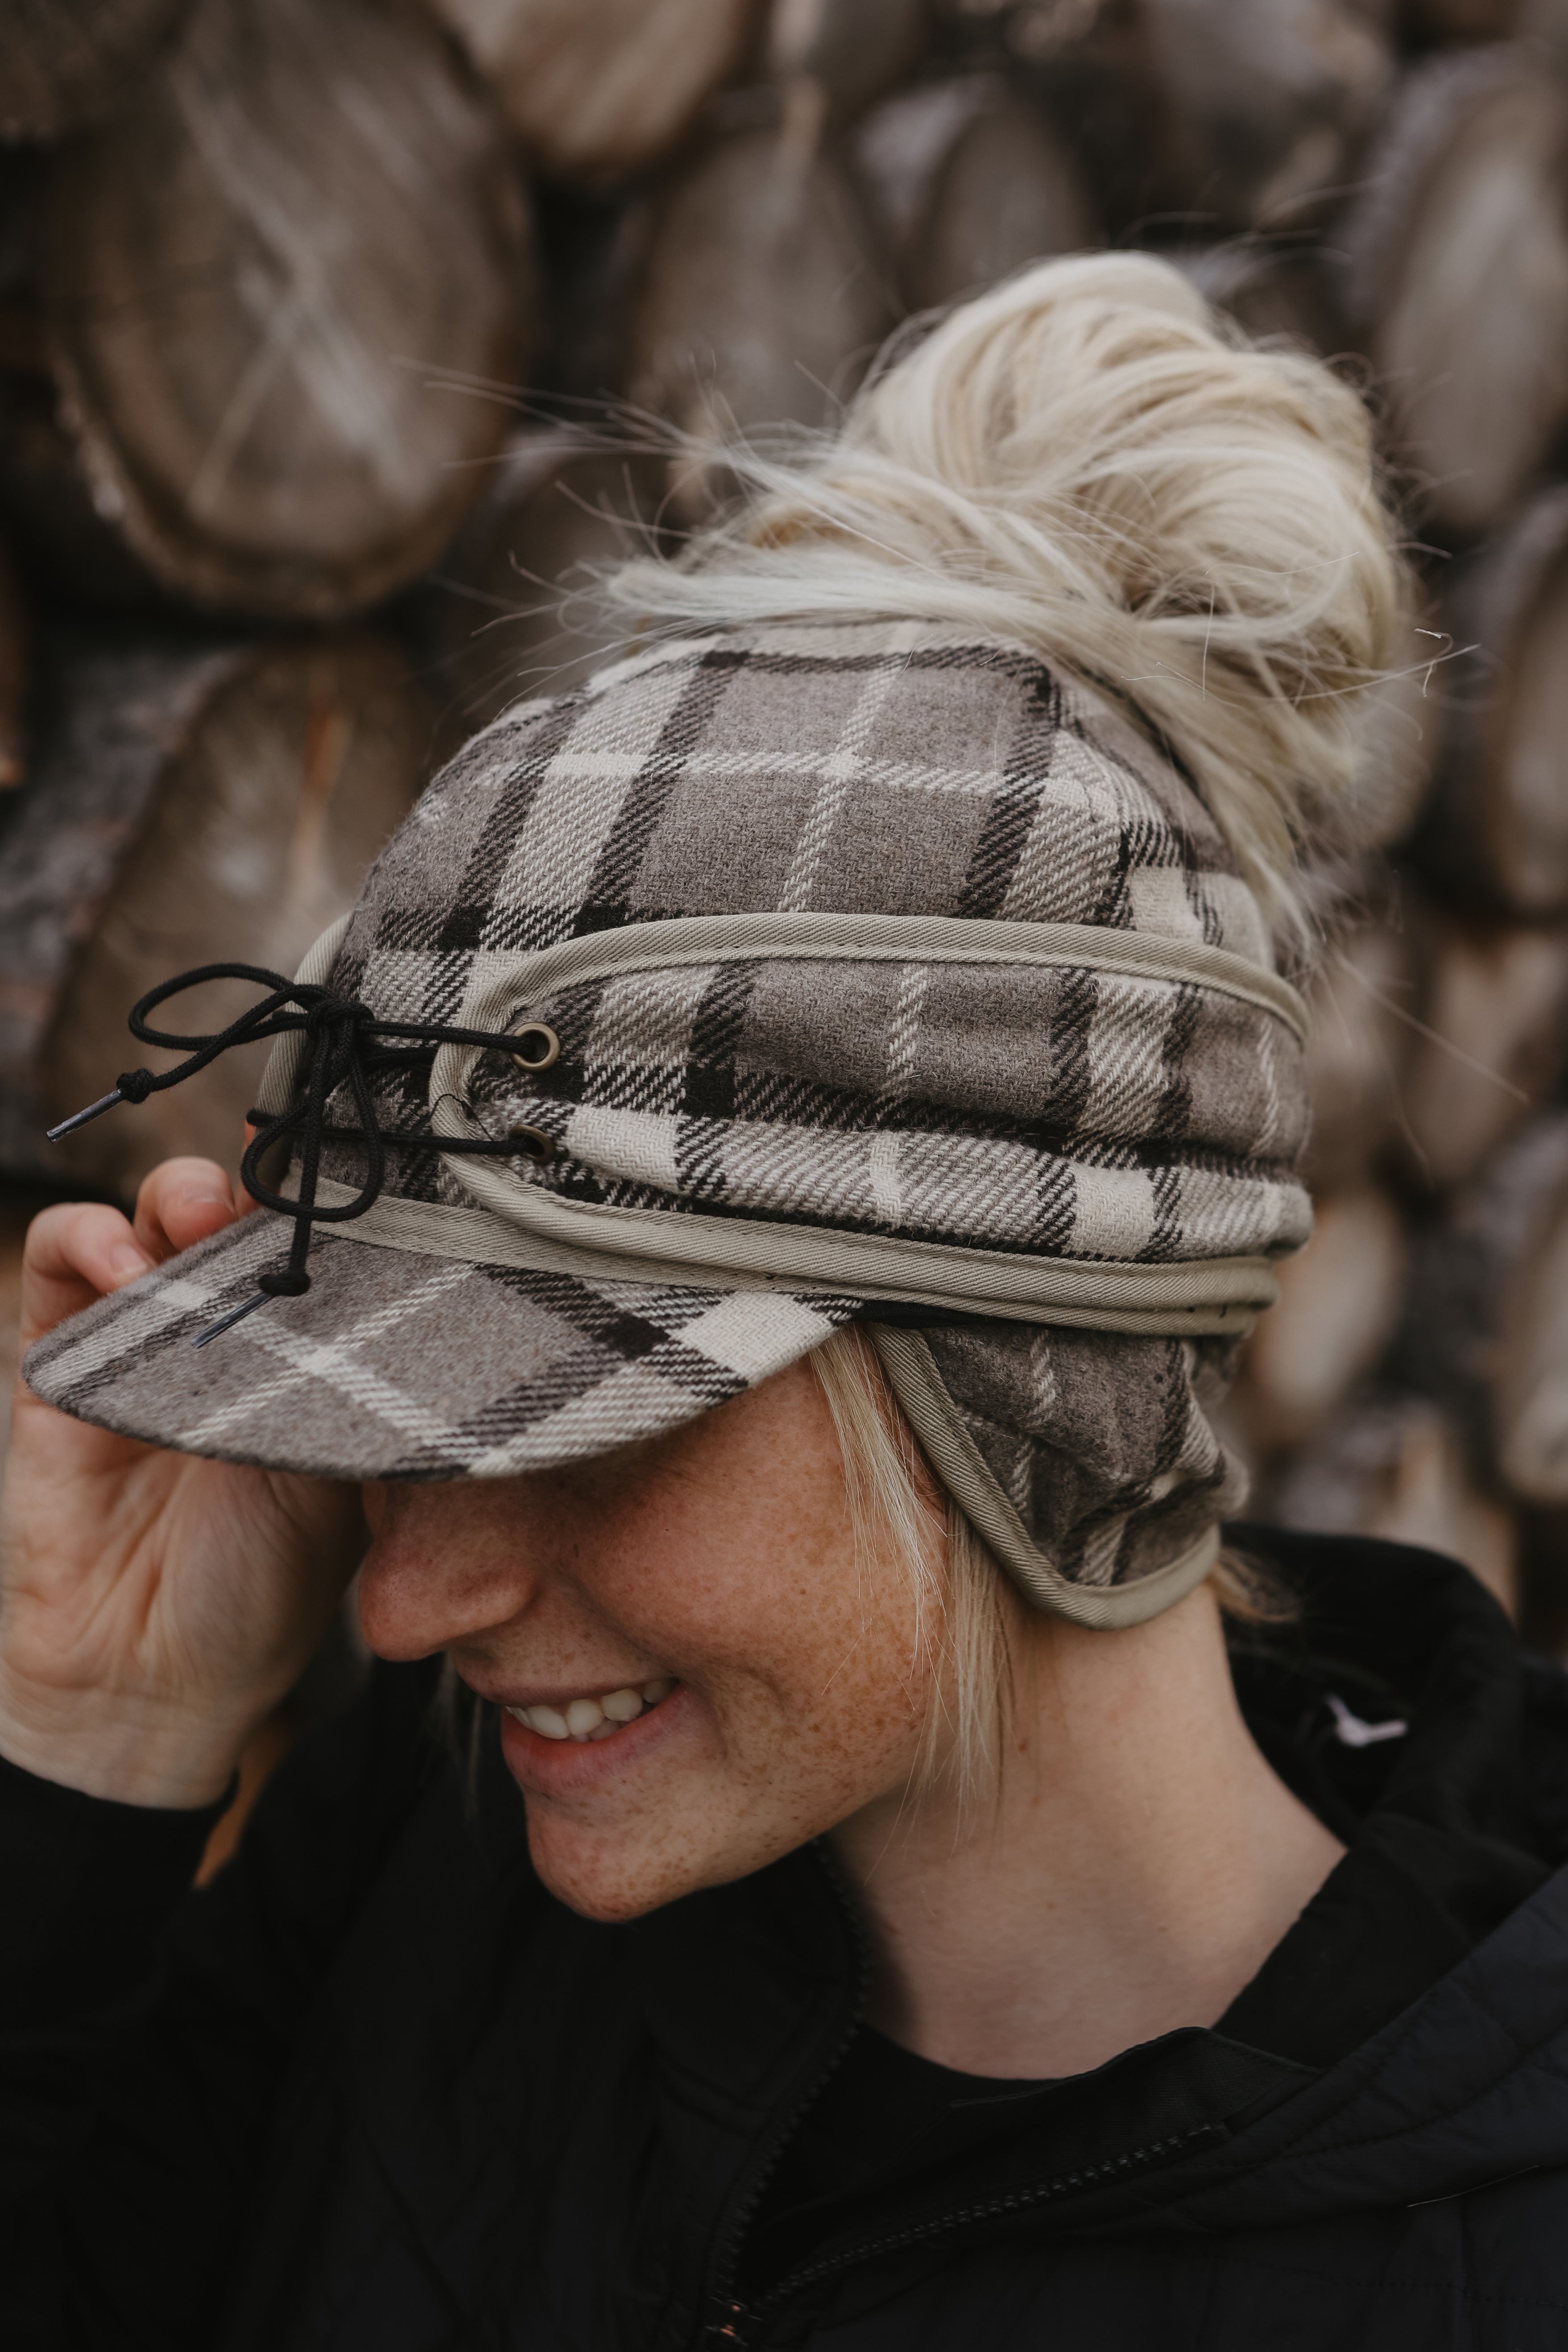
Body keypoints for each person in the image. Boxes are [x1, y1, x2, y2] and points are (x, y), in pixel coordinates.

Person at [4, 253, 1567, 2352]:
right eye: (410, 1389)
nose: (407, 1601)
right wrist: (88, 1754)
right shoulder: (435, 1855)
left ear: (1030, 1381)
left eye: (573, 1401)